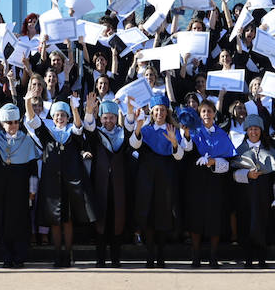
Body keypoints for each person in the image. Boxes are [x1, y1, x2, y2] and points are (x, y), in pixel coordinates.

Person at [26, 99, 97, 267]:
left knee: (68, 220)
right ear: (53, 116)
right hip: (51, 184)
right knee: (55, 221)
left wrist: (75, 110)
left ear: (67, 117)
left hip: (71, 184)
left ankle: (68, 254)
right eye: (57, 115)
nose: (60, 118)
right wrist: (28, 102)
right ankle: (57, 254)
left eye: (63, 115)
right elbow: (34, 121)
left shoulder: (72, 134)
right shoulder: (47, 134)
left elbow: (79, 128)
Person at [130, 94, 187, 268]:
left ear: (166, 111)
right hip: (147, 176)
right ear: (152, 112)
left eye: (162, 110)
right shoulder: (146, 129)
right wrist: (138, 128)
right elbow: (134, 144)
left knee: (163, 214)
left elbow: (179, 156)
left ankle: (161, 255)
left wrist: (175, 143)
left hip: (166, 176)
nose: (160, 113)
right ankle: (149, 255)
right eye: (156, 110)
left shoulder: (172, 129)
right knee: (148, 214)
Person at [182, 100, 236, 268]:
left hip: (215, 182)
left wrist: (214, 162)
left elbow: (229, 163)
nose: (206, 114)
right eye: (203, 111)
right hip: (196, 182)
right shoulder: (194, 132)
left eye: (209, 111)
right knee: (196, 218)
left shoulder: (222, 134)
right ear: (199, 114)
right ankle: (196, 256)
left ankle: (213, 256)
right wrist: (186, 134)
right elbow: (187, 149)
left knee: (215, 219)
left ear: (214, 114)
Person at [0, 103, 38, 268]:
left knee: (21, 224)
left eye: (15, 122)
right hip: (1, 189)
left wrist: (32, 191)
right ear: (2, 123)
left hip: (20, 190)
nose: (13, 126)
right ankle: (6, 257)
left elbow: (33, 169)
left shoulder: (27, 140)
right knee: (4, 224)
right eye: (9, 123)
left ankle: (20, 257)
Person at [83, 96, 134, 268]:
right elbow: (88, 130)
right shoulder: (96, 134)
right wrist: (89, 112)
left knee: (117, 221)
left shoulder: (121, 134)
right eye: (105, 117)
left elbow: (129, 130)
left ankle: (115, 258)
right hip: (100, 185)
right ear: (101, 118)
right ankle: (100, 259)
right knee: (101, 221)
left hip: (119, 186)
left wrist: (129, 111)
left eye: (112, 117)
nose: (108, 120)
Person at [229, 114, 275, 268]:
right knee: (246, 224)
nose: (254, 132)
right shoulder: (238, 149)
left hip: (264, 194)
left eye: (256, 129)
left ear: (261, 130)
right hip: (245, 194)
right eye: (251, 129)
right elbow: (231, 174)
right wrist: (247, 174)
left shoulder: (269, 149)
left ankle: (262, 258)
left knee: (263, 224)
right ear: (246, 131)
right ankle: (248, 258)